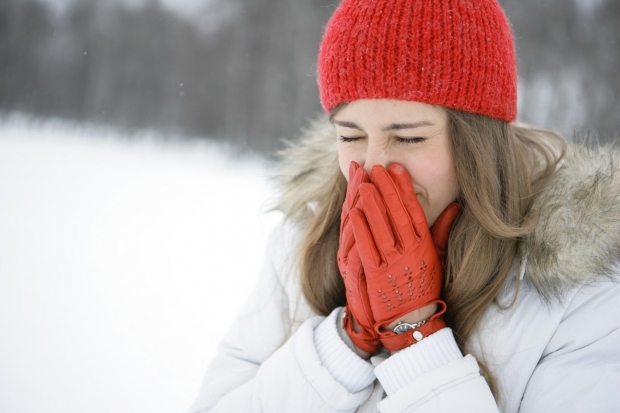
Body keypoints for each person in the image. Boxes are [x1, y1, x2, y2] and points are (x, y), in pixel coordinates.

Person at [189, 0, 620, 411]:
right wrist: (346, 342)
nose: (373, 167)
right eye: (350, 136)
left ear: (478, 142)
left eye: (410, 137)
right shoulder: (302, 237)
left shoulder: (582, 286)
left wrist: (414, 331)